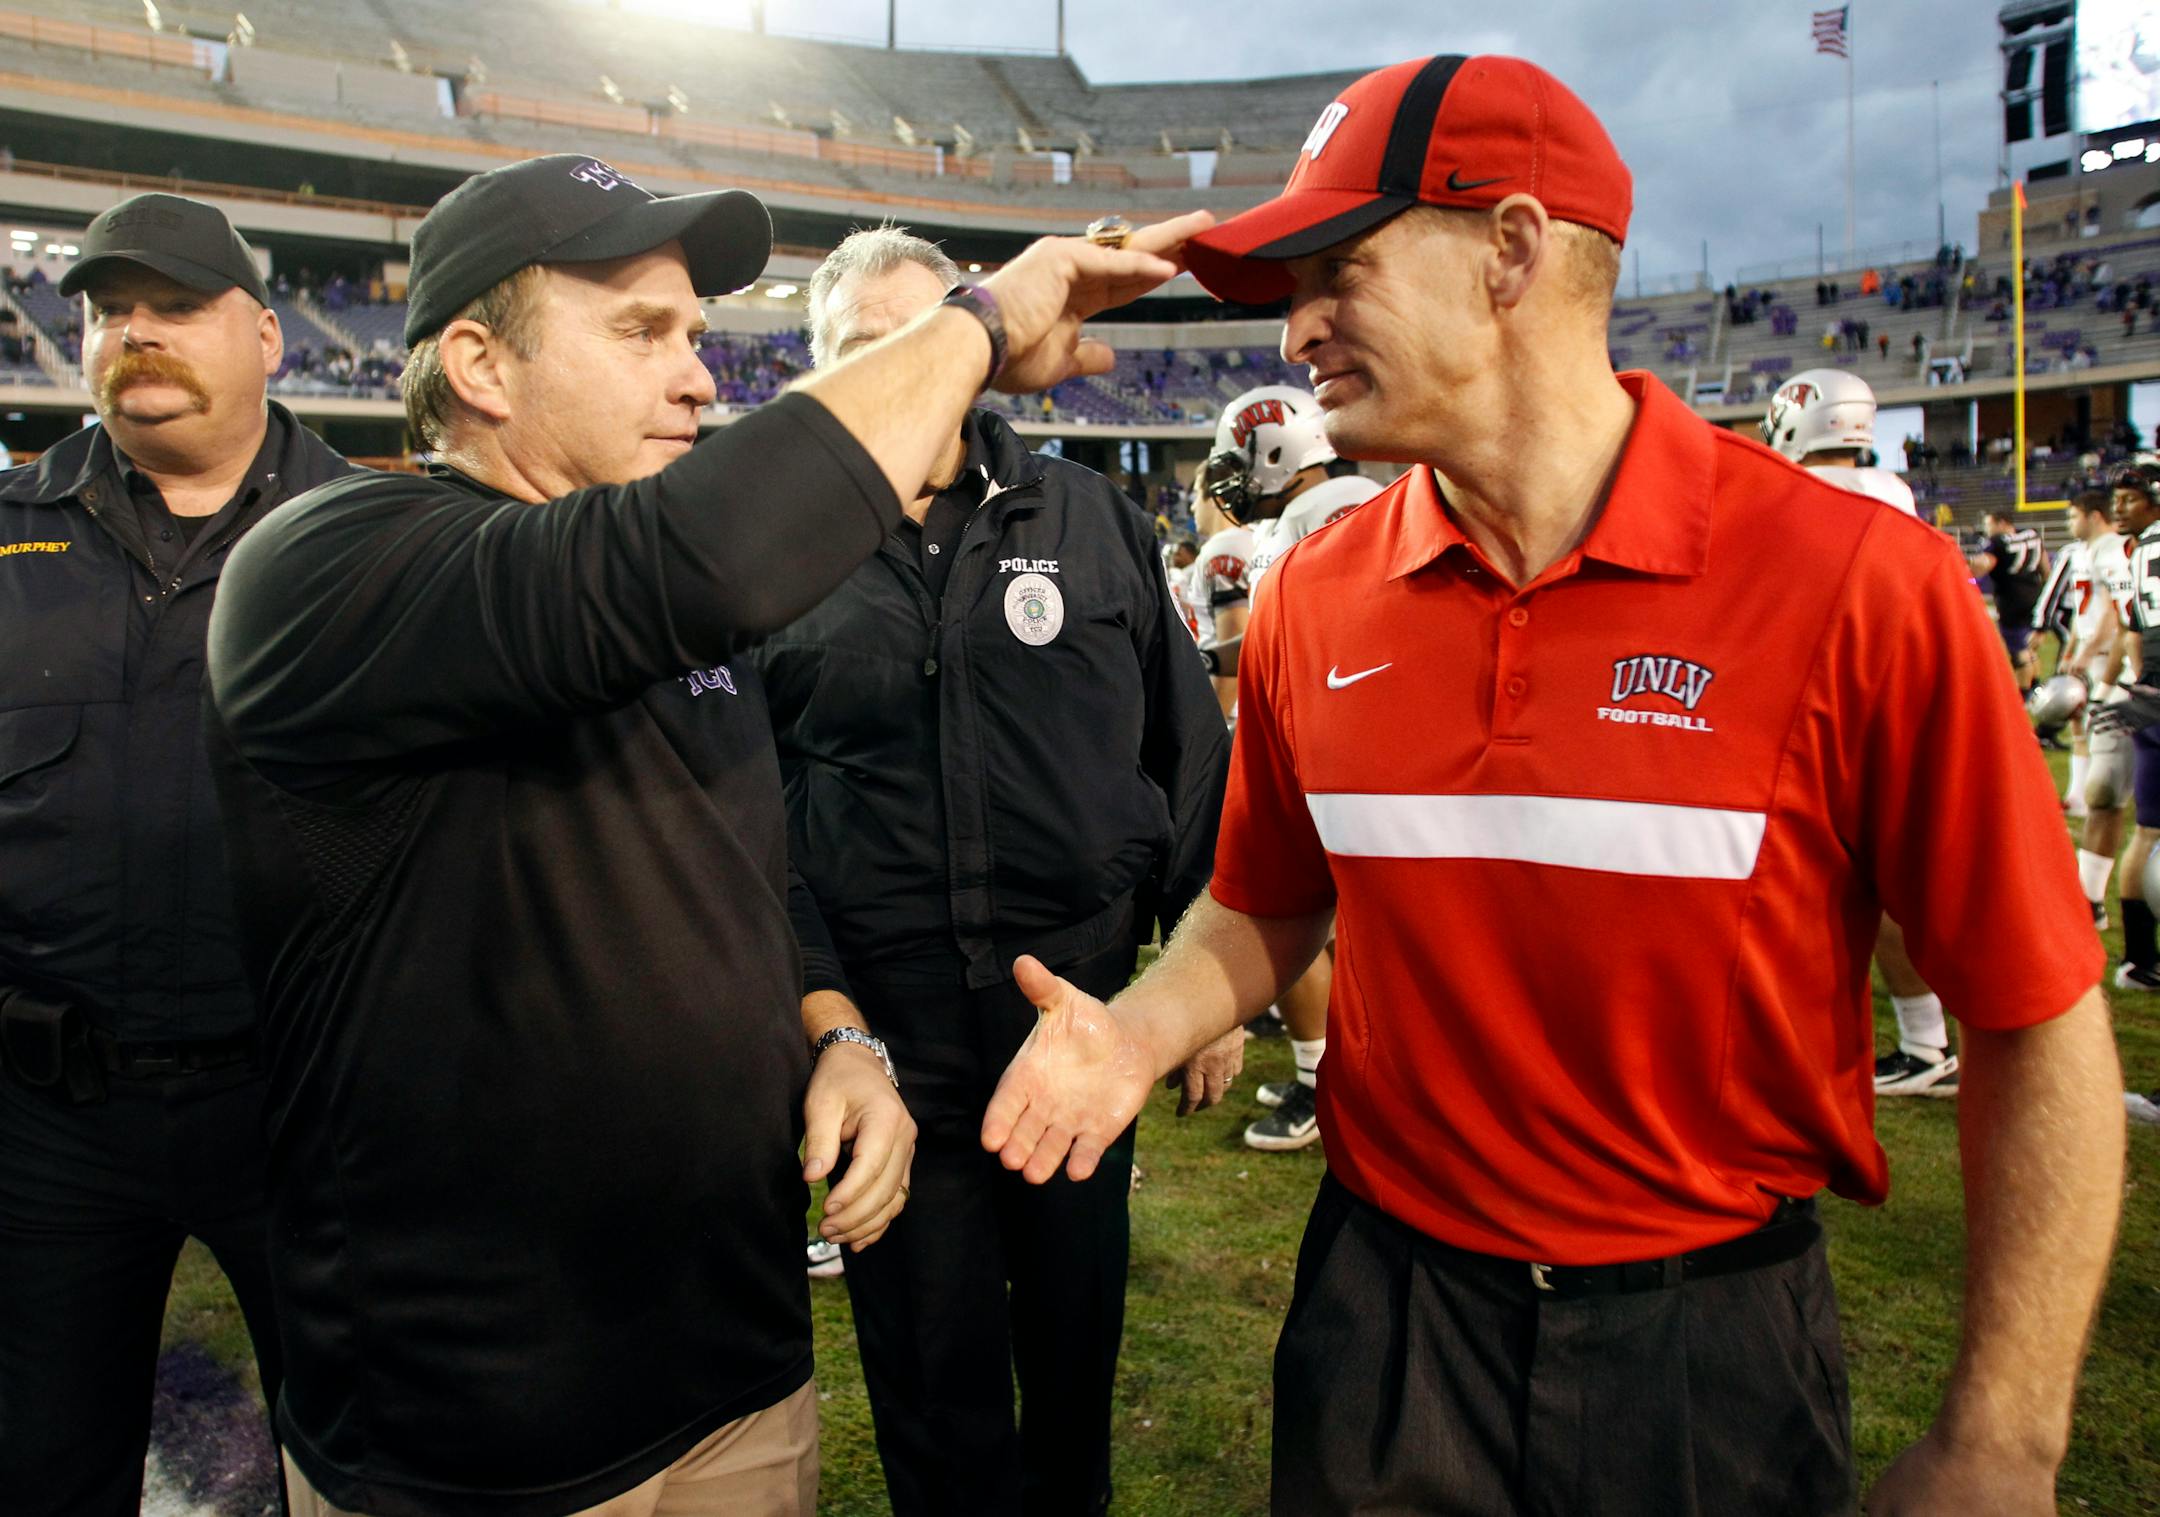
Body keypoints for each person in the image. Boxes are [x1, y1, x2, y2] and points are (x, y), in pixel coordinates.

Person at [982, 54, 2121, 1516]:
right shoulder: (1315, 592)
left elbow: (2035, 1016)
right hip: (1382, 1318)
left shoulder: (1858, 582)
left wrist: (2006, 1437)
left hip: (1708, 1344)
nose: (1298, 327)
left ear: (1512, 249)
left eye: (1339, 267)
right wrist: (1135, 1035)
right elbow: (1267, 904)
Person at [202, 153, 1211, 1517]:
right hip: (487, 1430)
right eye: (642, 333)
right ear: (479, 367)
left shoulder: (703, 621)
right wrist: (972, 323)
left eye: (698, 338)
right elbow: (688, 559)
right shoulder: (326, 565)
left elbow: (745, 881)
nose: (699, 381)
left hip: (735, 1374)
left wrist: (837, 1036)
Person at [751, 224, 1232, 1517]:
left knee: (1074, 1358)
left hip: (1071, 1023)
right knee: (927, 1375)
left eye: (933, 328)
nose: (909, 363)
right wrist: (823, 1017)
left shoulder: (1090, 520)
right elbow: (742, 818)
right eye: (868, 345)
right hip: (888, 1041)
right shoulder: (772, 558)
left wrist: (1200, 992)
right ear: (823, 373)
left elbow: (1189, 749)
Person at [0, 193, 355, 1515]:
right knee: (41, 1466)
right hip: (46, 1114)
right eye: (108, 311)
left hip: (304, 1109)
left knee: (354, 1458)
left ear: (266, 333)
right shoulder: (3, 538)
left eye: (175, 304)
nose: (134, 333)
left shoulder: (377, 543)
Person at [1194, 384, 1383, 1150]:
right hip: (1372, 742)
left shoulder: (1308, 519)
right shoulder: (1370, 496)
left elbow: (1299, 649)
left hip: (1336, 741)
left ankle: (1321, 1079)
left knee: (1282, 911)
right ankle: (1334, 1067)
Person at [1759, 369, 1956, 1095]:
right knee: (1906, 883)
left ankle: (1920, 1044)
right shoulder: (1896, 495)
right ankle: (1931, 1039)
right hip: (1907, 697)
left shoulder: (1794, 497)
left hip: (1828, 709)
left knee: (1816, 887)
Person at [2090, 465, 2160, 991]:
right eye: (2117, 499)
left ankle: (2137, 960)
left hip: (2147, 696)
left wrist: (2127, 686)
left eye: (2130, 498)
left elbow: (2133, 631)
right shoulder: (2139, 550)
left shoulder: (2131, 555)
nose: (2120, 508)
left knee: (2147, 832)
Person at [2057, 491, 2137, 929]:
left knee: (2114, 792)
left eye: (2073, 515)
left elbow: (2118, 615)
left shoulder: (2116, 550)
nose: (2070, 522)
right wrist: (2075, 647)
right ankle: (2090, 900)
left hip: (2117, 665)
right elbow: (2093, 610)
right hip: (2107, 663)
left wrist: (2090, 657)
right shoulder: (2090, 550)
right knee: (2106, 789)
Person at [1970, 506, 2049, 694]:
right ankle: (2036, 685)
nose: (1987, 529)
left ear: (2002, 523)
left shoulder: (1997, 542)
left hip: (2011, 601)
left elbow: (1982, 565)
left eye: (1989, 525)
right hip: (2035, 596)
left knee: (2018, 651)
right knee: (2029, 647)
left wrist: (1967, 572)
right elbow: (2045, 568)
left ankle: (2024, 695)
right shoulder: (2032, 535)